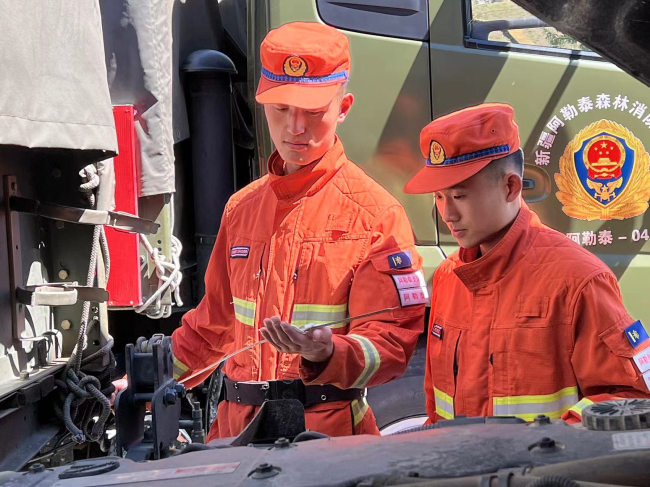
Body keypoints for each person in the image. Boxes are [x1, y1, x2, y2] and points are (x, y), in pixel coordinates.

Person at [171, 21, 426, 441]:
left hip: (326, 441)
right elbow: (211, 327)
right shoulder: (241, 209)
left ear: (343, 107)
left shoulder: (376, 216)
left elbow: (393, 343)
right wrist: (152, 381)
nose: (294, 128)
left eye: (313, 112)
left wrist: (328, 353)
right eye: (281, 109)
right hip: (236, 436)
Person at [403, 103, 650, 425]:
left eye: (459, 196)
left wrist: (547, 444)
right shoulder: (450, 277)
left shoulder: (578, 280)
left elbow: (632, 398)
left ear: (511, 187)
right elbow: (437, 409)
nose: (447, 214)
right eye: (438, 197)